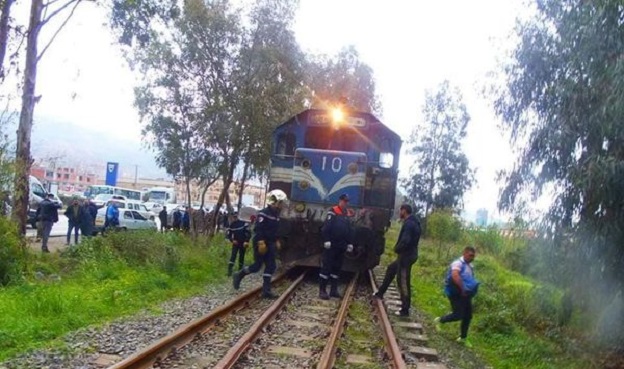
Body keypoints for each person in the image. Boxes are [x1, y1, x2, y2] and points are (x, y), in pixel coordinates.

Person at [233, 189, 288, 299]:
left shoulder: (276, 215)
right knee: (257, 266)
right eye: (281, 202)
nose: (282, 205)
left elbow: (274, 230)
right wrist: (261, 242)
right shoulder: (264, 213)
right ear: (275, 202)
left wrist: (277, 240)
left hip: (270, 242)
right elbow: (258, 229)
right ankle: (239, 274)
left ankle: (266, 291)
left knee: (271, 266)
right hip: (261, 242)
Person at [373, 204, 421, 317]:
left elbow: (406, 240)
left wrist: (397, 249)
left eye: (401, 210)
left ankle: (405, 309)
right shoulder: (414, 222)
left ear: (404, 211)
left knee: (402, 281)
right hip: (407, 255)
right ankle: (380, 293)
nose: (400, 212)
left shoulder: (409, 224)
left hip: (406, 257)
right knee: (391, 269)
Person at [435, 246, 479, 347]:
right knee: (458, 314)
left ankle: (463, 337)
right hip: (456, 293)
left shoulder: (470, 266)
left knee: (468, 316)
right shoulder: (457, 263)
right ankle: (440, 320)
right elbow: (455, 276)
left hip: (465, 294)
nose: (472, 258)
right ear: (464, 253)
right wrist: (462, 288)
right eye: (470, 255)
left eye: (473, 256)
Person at [319, 193, 354, 300]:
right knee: (327, 267)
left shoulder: (347, 214)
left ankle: (333, 290)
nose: (345, 203)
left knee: (337, 268)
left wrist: (350, 243)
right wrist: (327, 240)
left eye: (347, 201)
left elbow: (349, 230)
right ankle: (322, 290)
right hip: (332, 244)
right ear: (340, 201)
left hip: (342, 245)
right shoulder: (333, 211)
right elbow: (327, 227)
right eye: (344, 201)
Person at [226, 212, 251, 276]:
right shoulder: (232, 225)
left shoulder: (244, 223)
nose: (235, 218)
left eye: (236, 217)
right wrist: (232, 240)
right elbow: (228, 235)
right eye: (234, 217)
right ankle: (229, 270)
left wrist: (246, 241)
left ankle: (240, 270)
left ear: (238, 217)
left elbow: (248, 233)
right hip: (236, 243)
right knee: (233, 256)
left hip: (243, 243)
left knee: (241, 256)